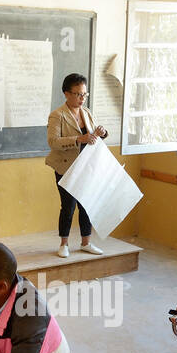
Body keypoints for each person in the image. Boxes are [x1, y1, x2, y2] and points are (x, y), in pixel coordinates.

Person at [46, 73, 107, 259]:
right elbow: (53, 142)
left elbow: (93, 136)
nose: (82, 99)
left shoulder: (86, 112)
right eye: (78, 94)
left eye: (84, 94)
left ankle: (86, 242)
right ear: (66, 93)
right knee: (68, 206)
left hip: (86, 166)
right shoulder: (57, 115)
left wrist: (102, 133)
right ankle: (64, 243)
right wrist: (79, 139)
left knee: (86, 205)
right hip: (66, 168)